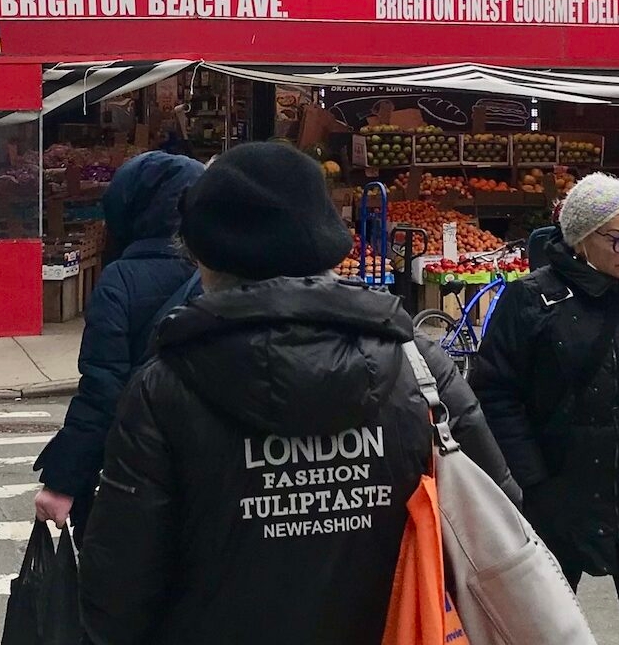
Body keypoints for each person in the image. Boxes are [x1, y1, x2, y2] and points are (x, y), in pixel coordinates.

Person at [80, 142, 517, 645]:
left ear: (202, 255)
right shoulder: (418, 365)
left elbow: (119, 584)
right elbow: (497, 516)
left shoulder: (164, 387)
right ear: (327, 242)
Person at [470, 173, 619, 645]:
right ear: (582, 240)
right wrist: (533, 482)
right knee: (548, 624)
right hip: (564, 492)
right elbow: (496, 396)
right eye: (618, 239)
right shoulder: (531, 301)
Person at [32, 151, 206, 536]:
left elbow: (102, 391)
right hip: (211, 475)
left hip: (139, 471)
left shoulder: (120, 281)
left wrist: (63, 481)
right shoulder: (219, 272)